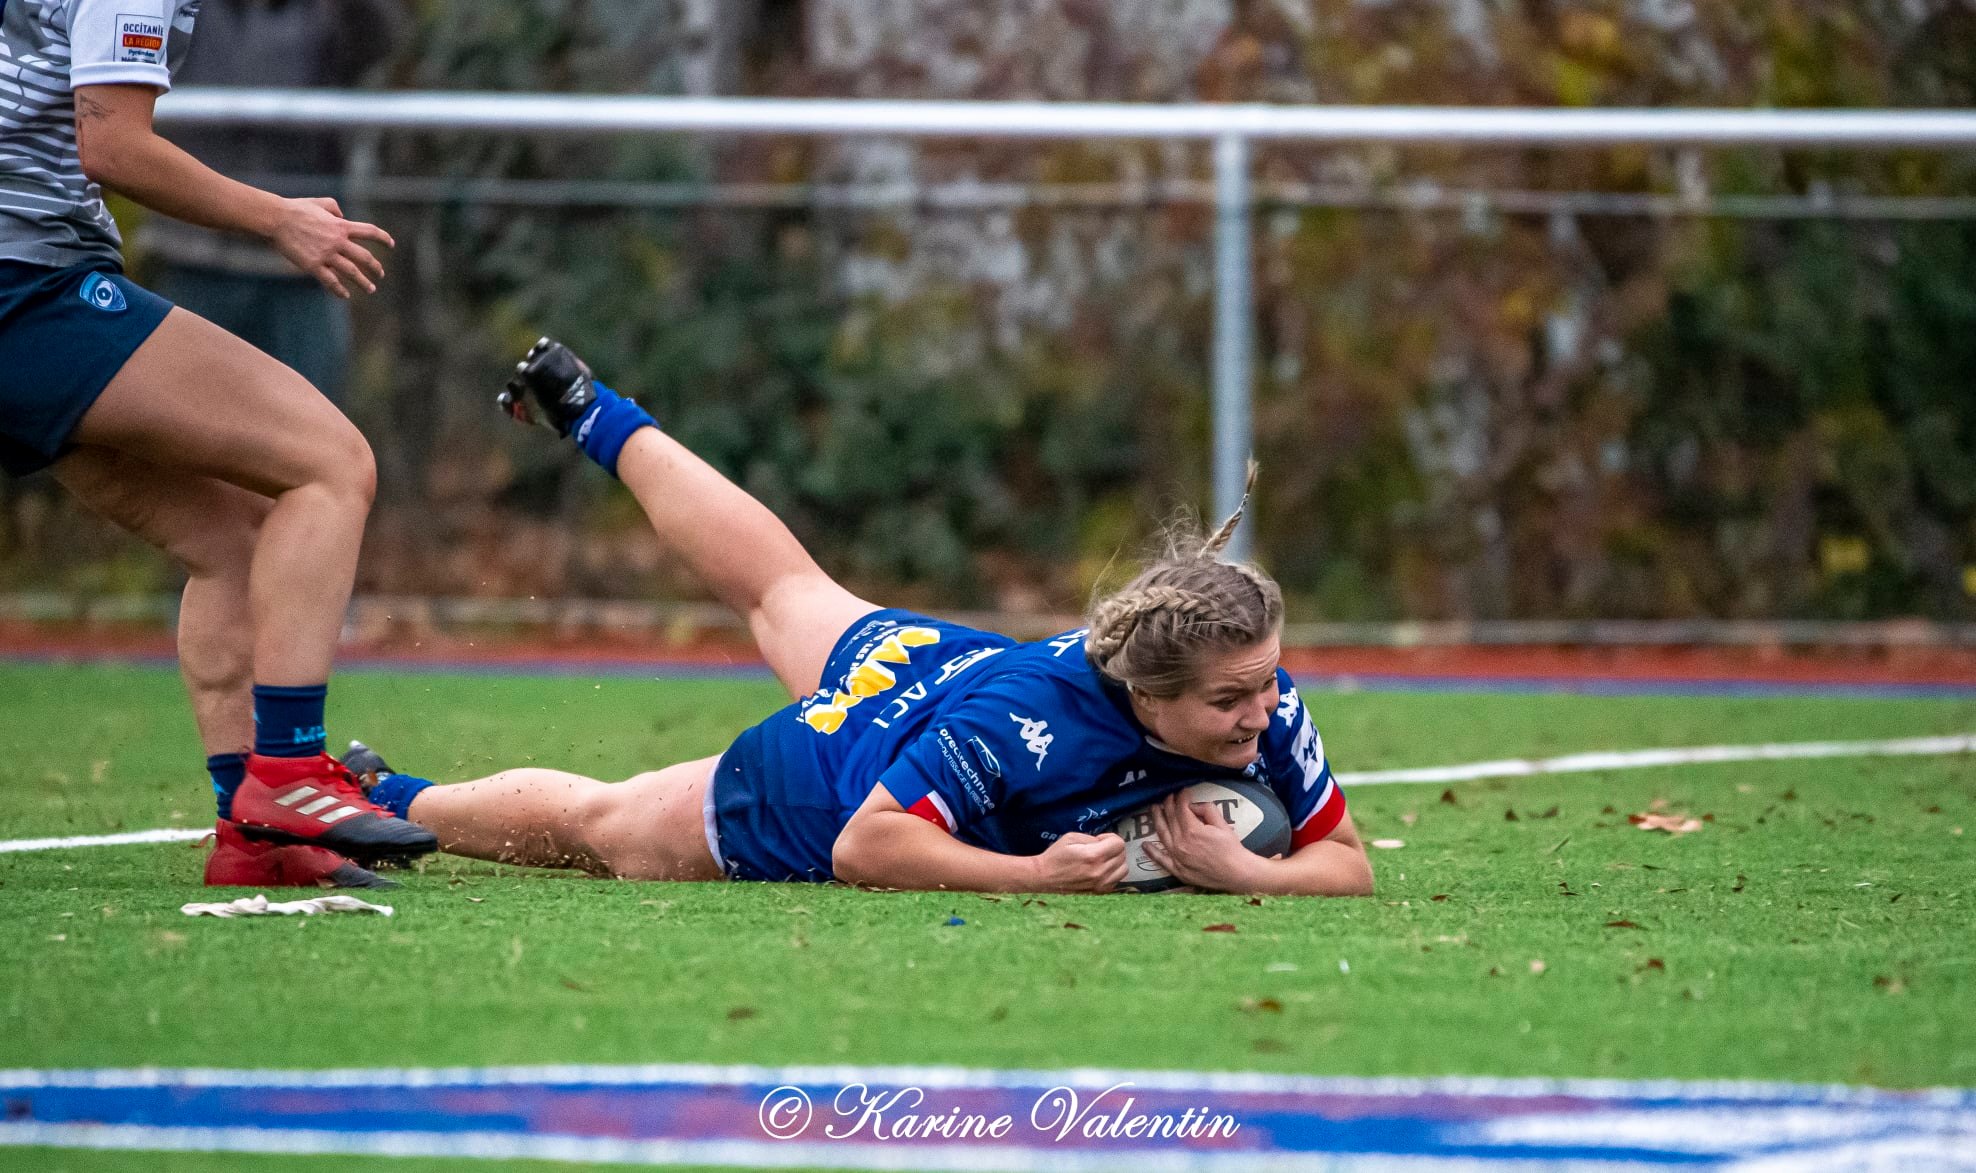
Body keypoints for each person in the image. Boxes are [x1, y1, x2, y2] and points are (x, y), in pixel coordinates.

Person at [353, 339, 1372, 896]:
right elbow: (865, 849)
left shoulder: (1257, 694)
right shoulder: (1029, 722)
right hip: (837, 766)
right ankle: (381, 793)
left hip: (940, 664)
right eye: (1233, 700)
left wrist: (1242, 875)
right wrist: (1032, 877)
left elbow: (1347, 865)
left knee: (783, 588)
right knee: (609, 829)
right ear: (1148, 698)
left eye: (1269, 681)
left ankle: (585, 406)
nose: (1265, 711)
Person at [0, 0, 437, 885]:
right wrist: (278, 217)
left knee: (231, 537)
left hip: (30, 282)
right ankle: (287, 775)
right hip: (29, 288)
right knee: (330, 462)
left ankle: (256, 837)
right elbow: (113, 147)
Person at [143, 0, 409, 404]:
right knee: (186, 431)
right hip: (192, 254)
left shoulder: (327, 15)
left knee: (314, 431)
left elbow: (380, 42)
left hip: (304, 270)